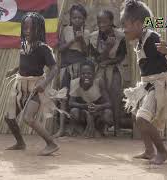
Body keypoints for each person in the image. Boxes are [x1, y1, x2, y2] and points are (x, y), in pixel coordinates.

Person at [120, 0, 167, 165]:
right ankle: (149, 150)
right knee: (137, 116)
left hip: (160, 84)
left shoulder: (152, 37)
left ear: (138, 24)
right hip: (149, 85)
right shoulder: (140, 41)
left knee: (142, 118)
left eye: (125, 25)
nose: (123, 30)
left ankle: (162, 152)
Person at [4, 12, 64, 156]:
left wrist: (44, 84)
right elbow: (28, 63)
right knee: (9, 117)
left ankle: (52, 143)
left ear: (39, 29)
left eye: (31, 28)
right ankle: (20, 143)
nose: (28, 31)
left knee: (28, 118)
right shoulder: (24, 45)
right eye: (25, 27)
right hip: (21, 86)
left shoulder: (43, 48)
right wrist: (15, 69)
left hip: (36, 87)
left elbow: (54, 68)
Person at [54, 4, 90, 138]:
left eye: (80, 18)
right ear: (70, 18)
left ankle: (77, 127)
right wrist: (73, 40)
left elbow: (86, 53)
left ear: (84, 19)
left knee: (77, 97)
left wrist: (81, 41)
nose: (77, 20)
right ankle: (62, 128)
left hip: (79, 67)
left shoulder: (86, 32)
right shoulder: (66, 30)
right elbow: (61, 48)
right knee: (63, 97)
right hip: (66, 67)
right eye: (74, 17)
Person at [89, 10, 127, 135]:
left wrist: (109, 62)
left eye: (105, 22)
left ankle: (117, 128)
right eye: (99, 22)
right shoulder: (94, 37)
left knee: (115, 97)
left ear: (111, 22)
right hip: (99, 69)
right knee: (100, 97)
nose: (101, 25)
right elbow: (97, 59)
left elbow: (121, 56)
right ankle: (101, 127)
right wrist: (107, 48)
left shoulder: (120, 36)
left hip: (114, 68)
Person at [68, 60, 113, 137]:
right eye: (83, 74)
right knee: (74, 111)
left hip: (98, 112)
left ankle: (100, 127)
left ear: (94, 74)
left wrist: (98, 107)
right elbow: (71, 103)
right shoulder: (75, 83)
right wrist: (84, 106)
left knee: (108, 114)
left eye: (89, 73)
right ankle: (81, 127)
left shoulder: (99, 82)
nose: (86, 76)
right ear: (79, 74)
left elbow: (109, 103)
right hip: (84, 112)